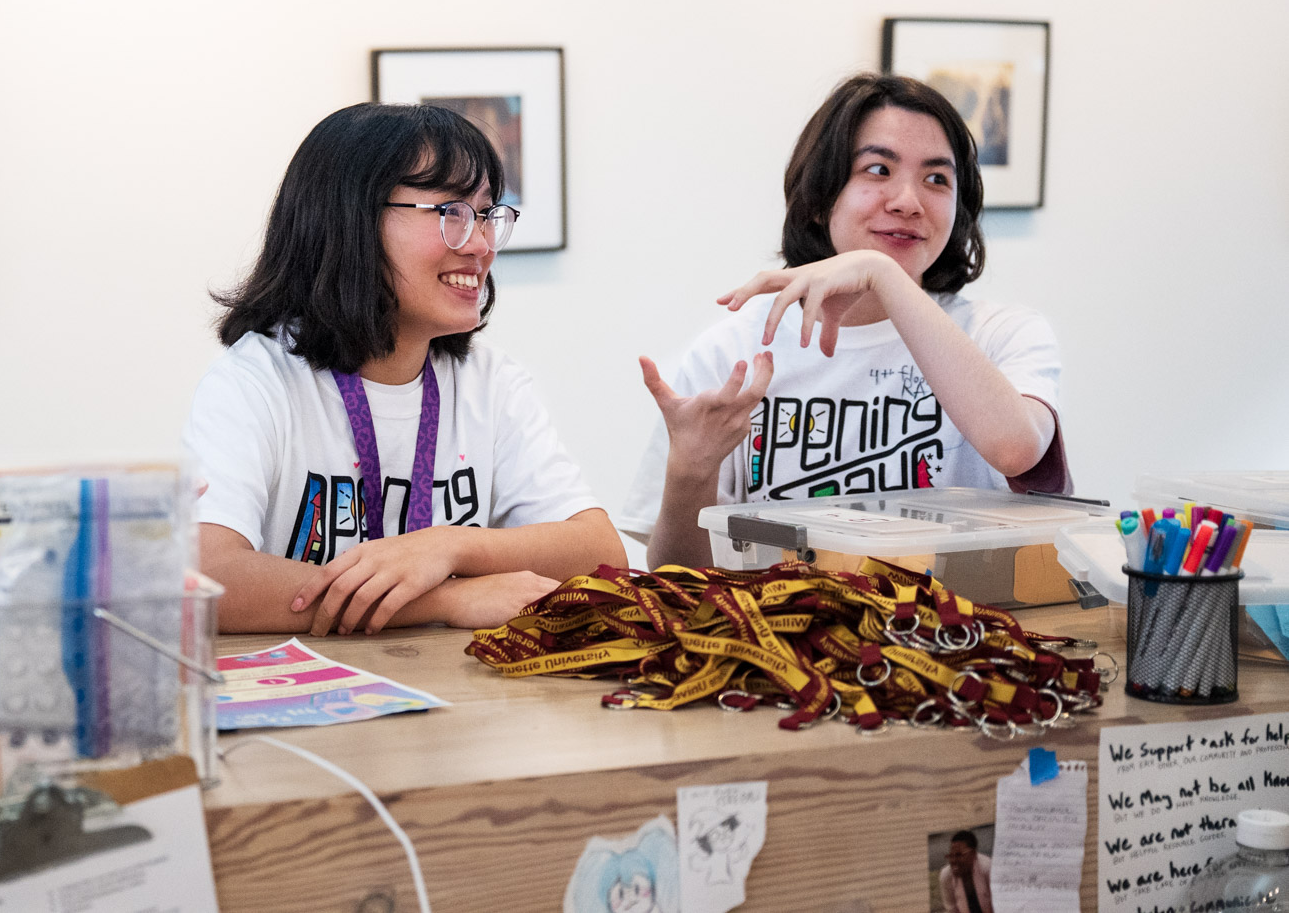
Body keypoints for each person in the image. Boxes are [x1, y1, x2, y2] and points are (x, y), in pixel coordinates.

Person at [186, 103, 624, 634]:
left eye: (486, 214)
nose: (482, 246)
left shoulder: (490, 382)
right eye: (451, 213)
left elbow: (600, 551)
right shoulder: (257, 379)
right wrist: (444, 600)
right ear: (351, 220)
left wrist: (447, 546)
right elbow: (209, 578)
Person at [629, 73, 1068, 569]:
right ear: (819, 199)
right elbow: (677, 577)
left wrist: (882, 273)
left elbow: (1017, 450)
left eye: (937, 179)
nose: (908, 201)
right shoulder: (732, 350)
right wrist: (690, 469)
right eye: (878, 169)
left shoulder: (1002, 334)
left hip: (957, 632)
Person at [940, 830, 994, 913]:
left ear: (973, 854)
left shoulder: (988, 868)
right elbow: (952, 909)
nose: (953, 861)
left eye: (958, 855)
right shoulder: (946, 876)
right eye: (951, 855)